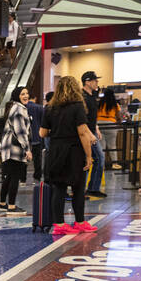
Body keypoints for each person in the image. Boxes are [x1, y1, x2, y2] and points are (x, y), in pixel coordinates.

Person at [39, 75, 95, 236]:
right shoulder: (77, 106)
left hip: (56, 151)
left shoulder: (50, 108)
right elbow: (83, 132)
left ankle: (59, 224)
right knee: (78, 188)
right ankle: (80, 222)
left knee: (59, 188)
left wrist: (57, 129)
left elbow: (42, 133)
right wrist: (89, 156)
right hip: (74, 151)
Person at [0, 86, 32, 214]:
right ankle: (11, 206)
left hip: (9, 148)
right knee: (15, 177)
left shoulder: (16, 108)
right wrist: (27, 149)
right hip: (14, 148)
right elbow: (21, 132)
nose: (26, 96)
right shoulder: (18, 109)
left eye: (27, 93)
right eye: (22, 94)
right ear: (17, 95)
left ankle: (2, 203)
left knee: (10, 176)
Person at [80, 71, 105, 199]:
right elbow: (82, 118)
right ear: (87, 82)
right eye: (95, 80)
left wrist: (96, 128)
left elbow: (91, 116)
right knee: (92, 159)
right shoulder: (82, 97)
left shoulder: (92, 96)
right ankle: (85, 189)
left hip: (91, 131)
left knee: (97, 159)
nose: (97, 83)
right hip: (85, 133)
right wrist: (90, 134)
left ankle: (92, 188)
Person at [26, 93, 45, 181]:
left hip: (26, 137)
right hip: (37, 136)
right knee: (37, 158)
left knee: (24, 157)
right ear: (35, 98)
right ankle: (37, 175)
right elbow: (43, 122)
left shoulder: (23, 107)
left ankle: (22, 177)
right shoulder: (40, 108)